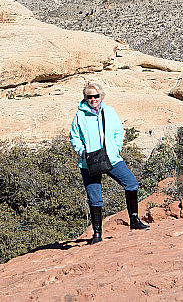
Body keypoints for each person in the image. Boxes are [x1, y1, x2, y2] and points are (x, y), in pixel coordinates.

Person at [69, 81, 149, 244]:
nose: (93, 99)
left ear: (101, 96)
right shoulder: (80, 116)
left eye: (96, 96)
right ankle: (97, 234)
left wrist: (116, 149)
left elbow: (119, 131)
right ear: (85, 98)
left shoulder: (109, 111)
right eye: (89, 97)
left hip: (111, 158)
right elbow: (74, 137)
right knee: (95, 198)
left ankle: (134, 220)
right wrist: (83, 152)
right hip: (89, 162)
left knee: (131, 183)